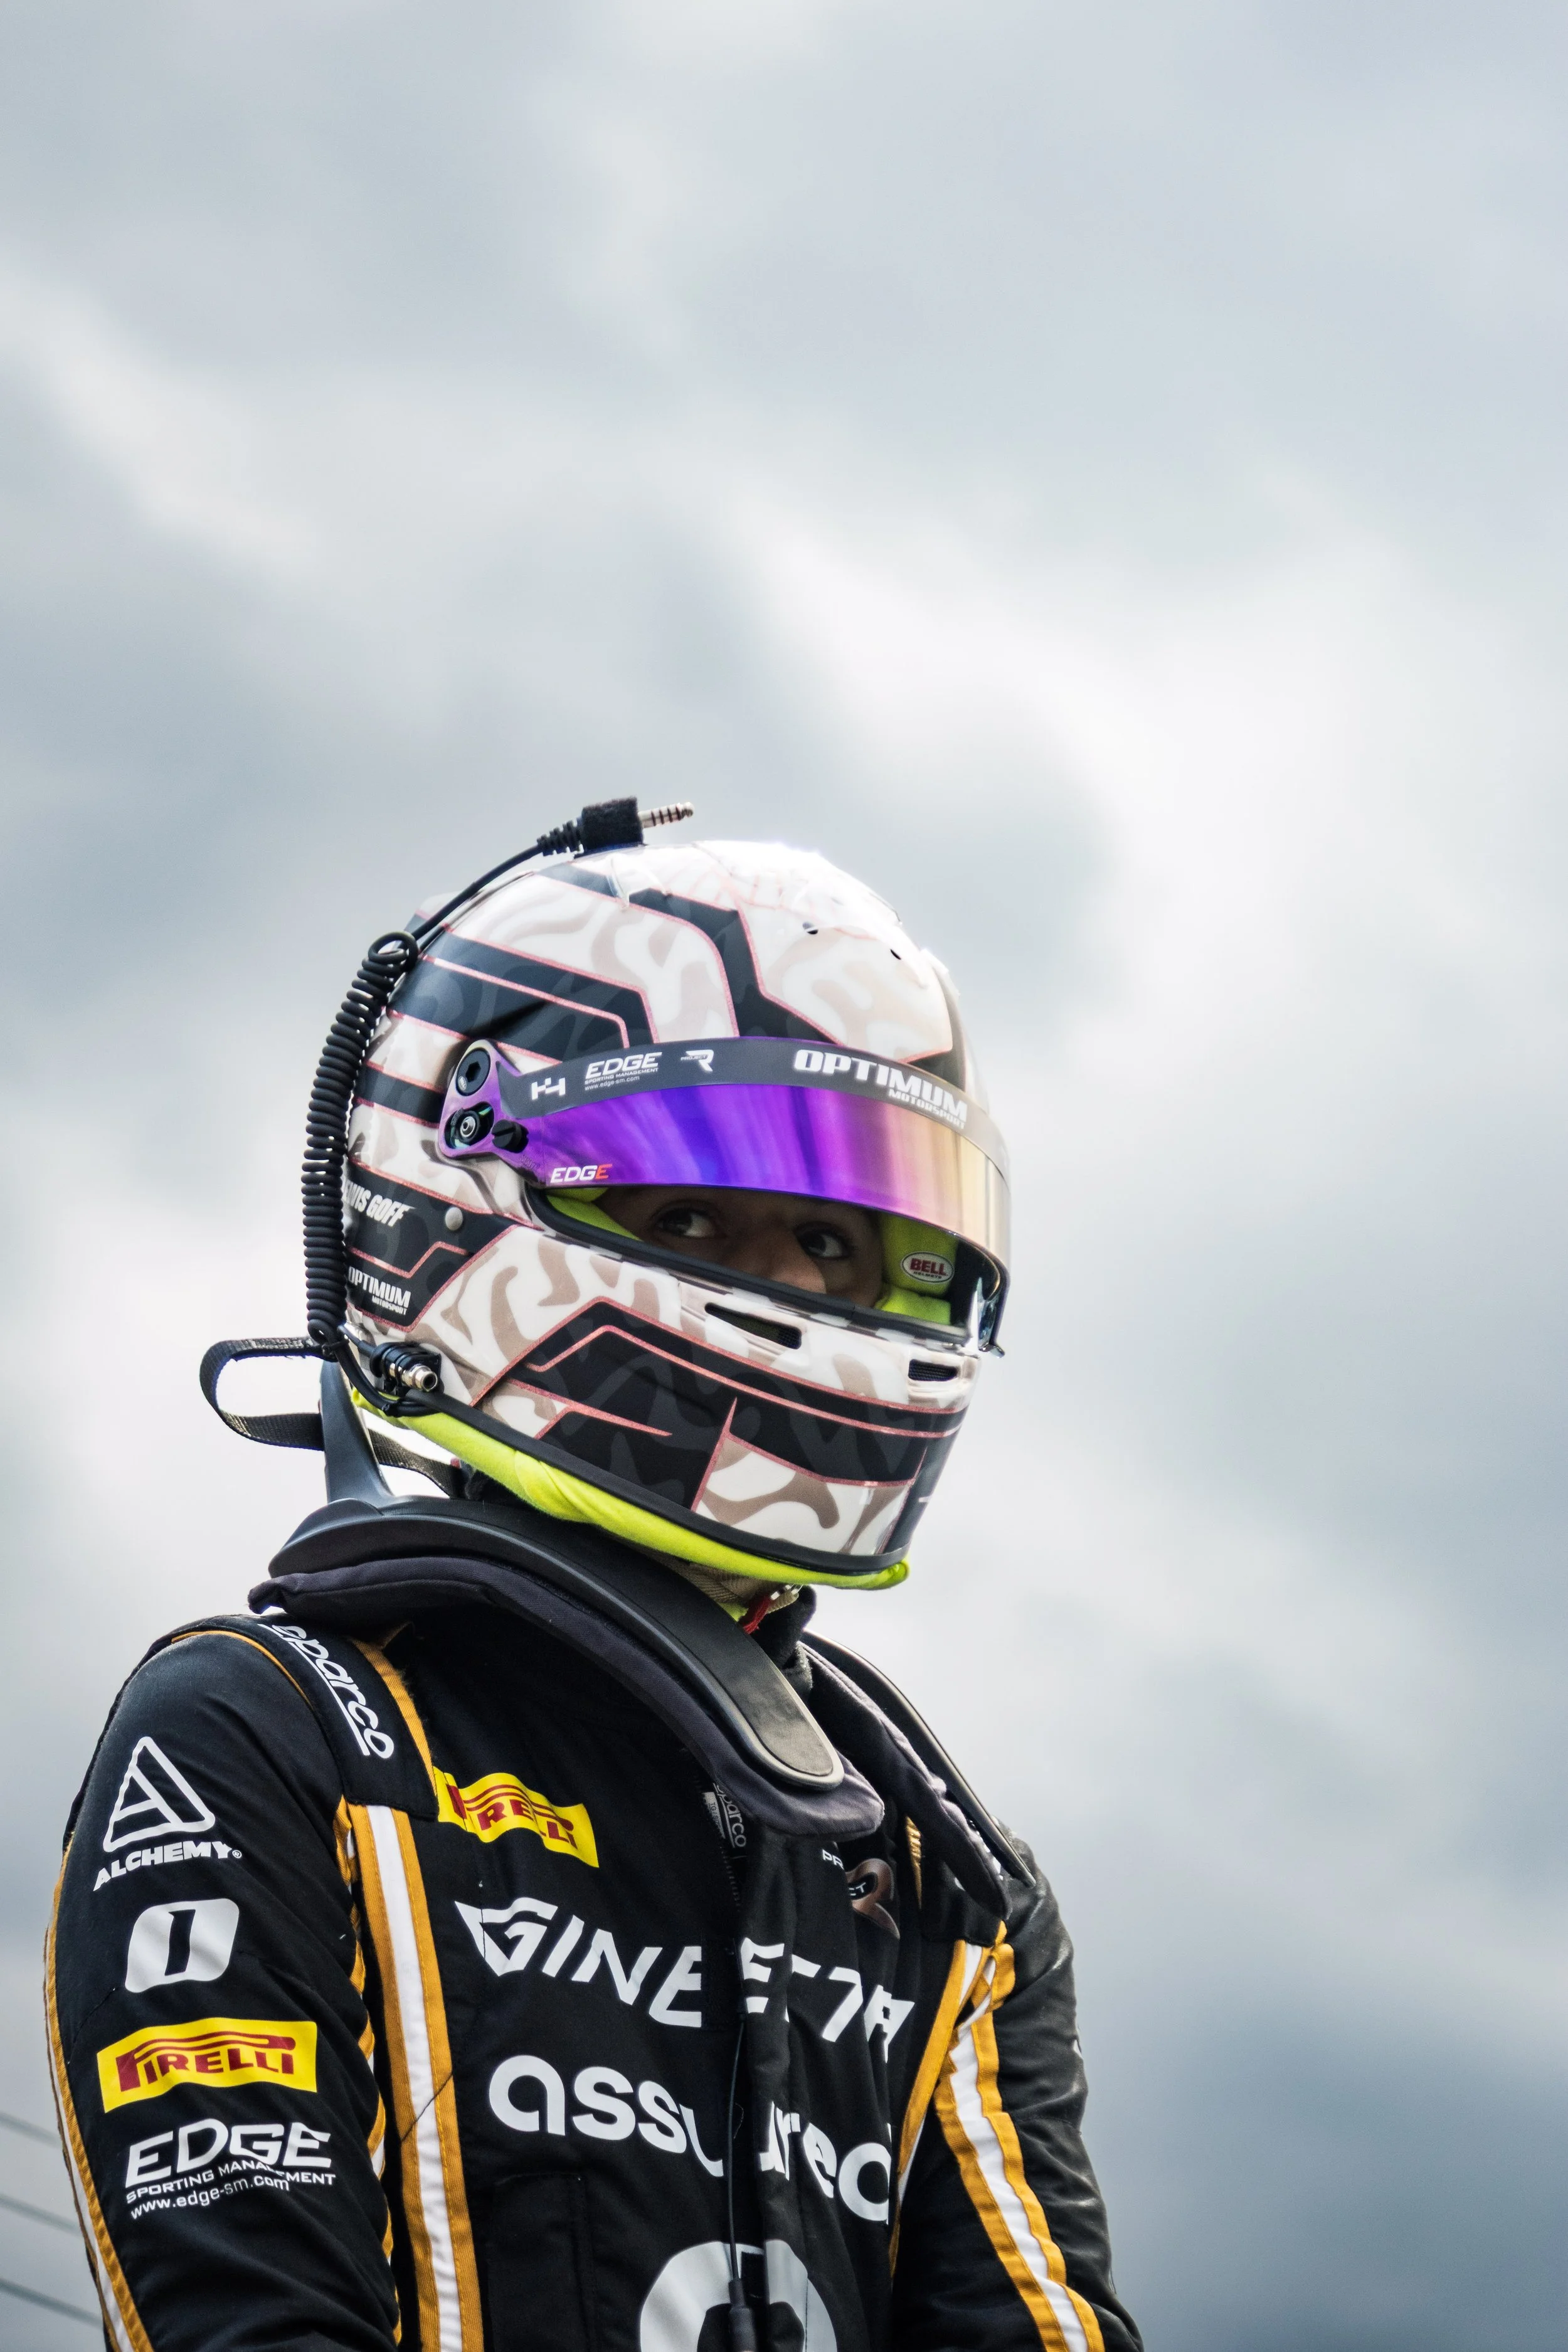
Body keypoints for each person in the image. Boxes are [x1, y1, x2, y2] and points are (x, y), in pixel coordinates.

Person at [46, 802, 1142, 2352]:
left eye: (839, 1248)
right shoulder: (268, 1734)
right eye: (700, 1215)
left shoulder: (947, 1880)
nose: (800, 1296)